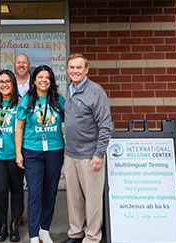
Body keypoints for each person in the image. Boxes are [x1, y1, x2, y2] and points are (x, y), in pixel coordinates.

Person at [61, 54, 113, 243]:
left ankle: (91, 237)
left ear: (86, 70)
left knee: (92, 200)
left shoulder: (95, 91)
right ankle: (76, 233)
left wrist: (99, 154)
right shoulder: (70, 90)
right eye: (71, 67)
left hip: (90, 155)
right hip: (71, 154)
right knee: (74, 199)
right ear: (68, 70)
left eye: (79, 68)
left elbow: (106, 125)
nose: (75, 71)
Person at [15, 65, 65, 243]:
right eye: (40, 77)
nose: (44, 80)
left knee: (50, 192)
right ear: (34, 80)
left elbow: (70, 122)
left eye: (47, 77)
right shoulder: (26, 100)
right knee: (35, 192)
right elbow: (19, 127)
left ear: (51, 81)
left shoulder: (59, 99)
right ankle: (34, 234)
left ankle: (45, 229)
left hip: (54, 151)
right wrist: (19, 152)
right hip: (32, 151)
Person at [0, 70, 24, 242]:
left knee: (16, 189)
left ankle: (15, 224)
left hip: (15, 155)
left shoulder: (21, 103)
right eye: (1, 81)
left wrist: (20, 153)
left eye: (8, 81)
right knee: (1, 190)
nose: (4, 84)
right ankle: (2, 225)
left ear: (14, 84)